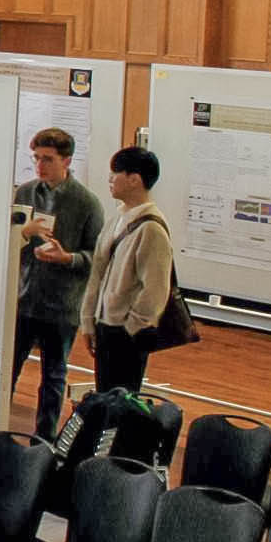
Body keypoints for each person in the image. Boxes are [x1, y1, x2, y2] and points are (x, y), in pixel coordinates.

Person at [7, 127, 106, 439]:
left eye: (47, 159)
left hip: (61, 304)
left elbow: (97, 258)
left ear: (67, 161)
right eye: (36, 158)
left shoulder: (87, 204)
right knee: (7, 369)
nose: (40, 165)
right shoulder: (24, 193)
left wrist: (67, 259)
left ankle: (44, 440)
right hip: (23, 298)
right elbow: (6, 240)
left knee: (53, 375)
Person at [80, 146, 175, 396]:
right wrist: (89, 320)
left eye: (115, 173)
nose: (110, 179)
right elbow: (97, 273)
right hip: (105, 325)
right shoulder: (116, 219)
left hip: (125, 332)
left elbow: (155, 290)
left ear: (134, 179)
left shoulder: (151, 228)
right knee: (104, 397)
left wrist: (130, 327)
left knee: (121, 401)